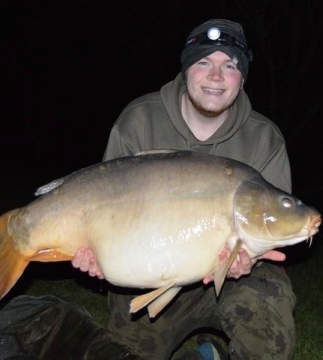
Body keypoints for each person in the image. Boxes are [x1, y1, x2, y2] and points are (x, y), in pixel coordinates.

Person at [72, 19, 295, 359]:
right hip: (149, 272)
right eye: (204, 61)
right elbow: (100, 207)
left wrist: (246, 260)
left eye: (230, 65)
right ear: (187, 67)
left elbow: (266, 228)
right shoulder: (139, 121)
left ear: (243, 77)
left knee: (269, 334)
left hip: (237, 281)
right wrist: (94, 251)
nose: (216, 76)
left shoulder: (265, 139)